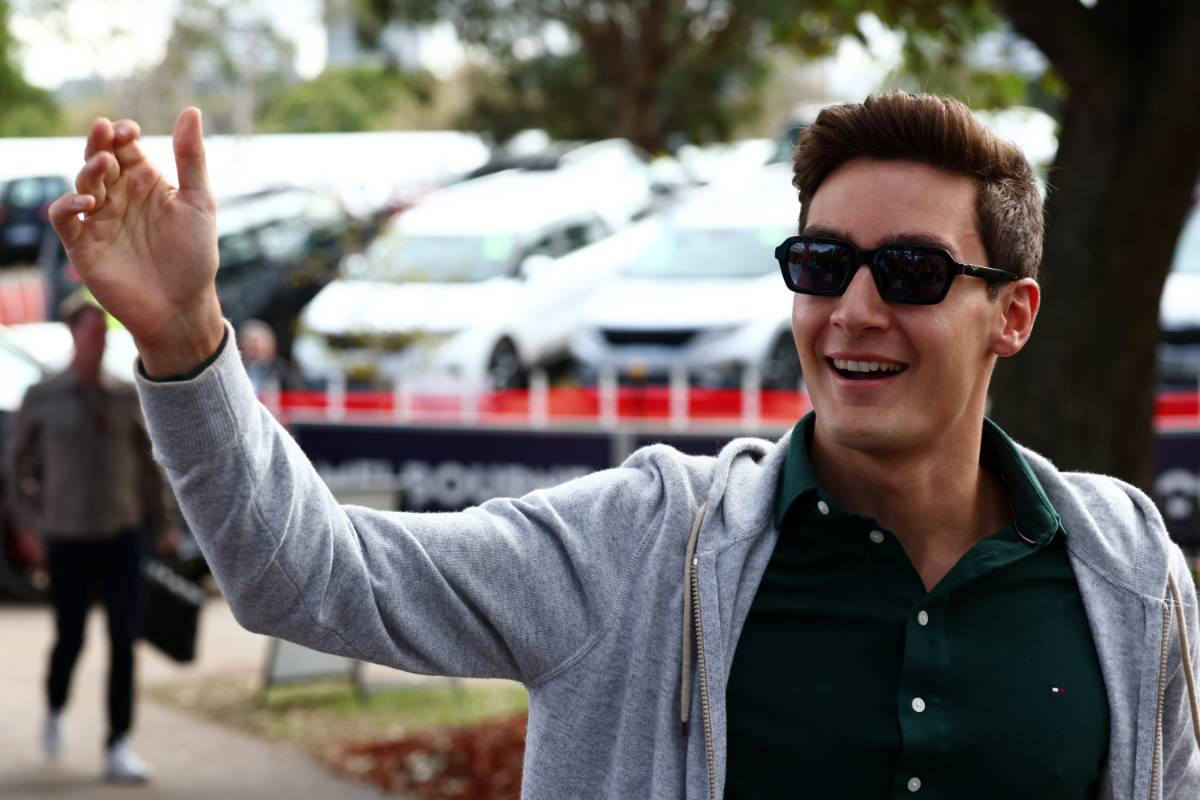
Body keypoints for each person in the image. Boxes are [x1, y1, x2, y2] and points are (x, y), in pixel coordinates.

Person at [48, 93, 1200, 798]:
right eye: (818, 265)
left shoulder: (1128, 572)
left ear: (1013, 313)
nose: (852, 308)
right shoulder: (644, 547)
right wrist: (189, 339)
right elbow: (308, 574)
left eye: (908, 272)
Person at [5, 293, 180, 783]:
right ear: (73, 336)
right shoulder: (43, 396)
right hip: (66, 537)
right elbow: (16, 469)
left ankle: (118, 742)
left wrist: (162, 522)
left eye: (104, 334)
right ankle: (56, 708)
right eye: (91, 333)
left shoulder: (124, 394)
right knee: (71, 638)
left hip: (122, 534)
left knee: (124, 640)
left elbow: (149, 465)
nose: (99, 342)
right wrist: (28, 527)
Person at [237, 318, 304, 393]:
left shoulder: (280, 369)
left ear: (269, 344)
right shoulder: (236, 368)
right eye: (245, 341)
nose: (249, 346)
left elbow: (298, 395)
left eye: (254, 342)